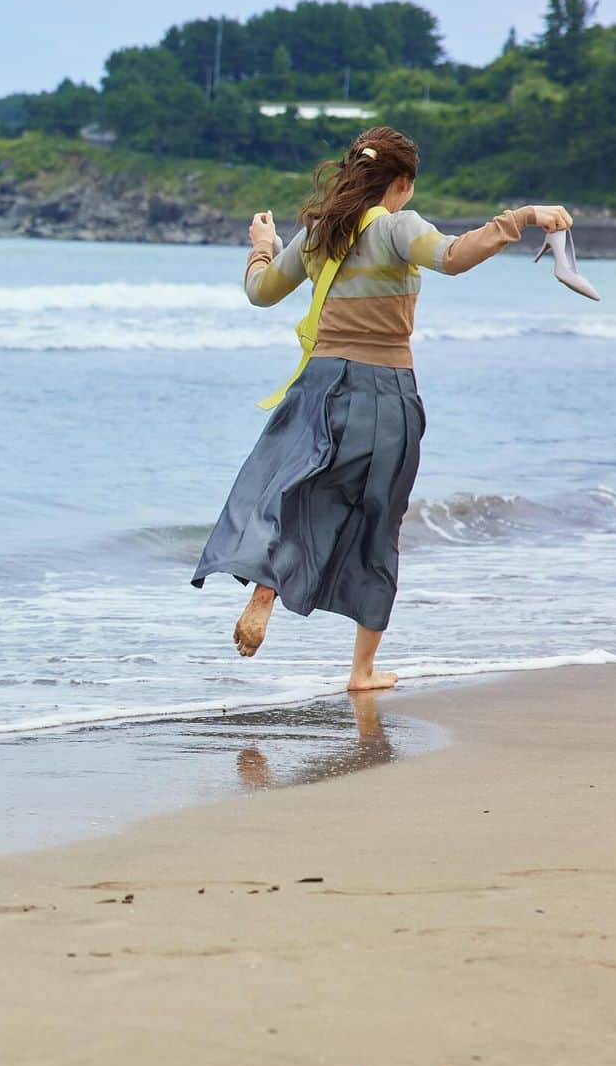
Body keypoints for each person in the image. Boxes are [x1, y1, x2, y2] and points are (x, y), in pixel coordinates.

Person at [191, 125, 577, 692]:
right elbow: (453, 256)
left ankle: (266, 588)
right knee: (377, 522)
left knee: (296, 492)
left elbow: (261, 292)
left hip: (317, 386)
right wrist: (520, 219)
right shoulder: (399, 229)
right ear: (400, 183)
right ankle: (361, 671)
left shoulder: (320, 233)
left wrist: (263, 244)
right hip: (386, 391)